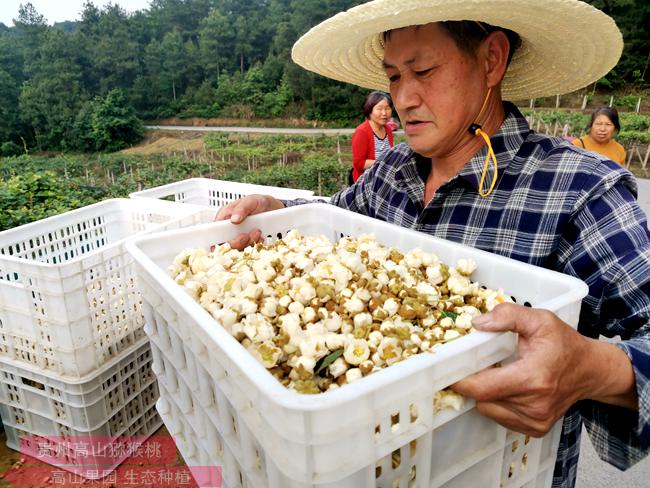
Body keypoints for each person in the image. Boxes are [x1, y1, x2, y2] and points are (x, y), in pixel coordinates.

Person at [217, 1, 649, 486]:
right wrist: (280, 211)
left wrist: (590, 369)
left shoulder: (579, 191)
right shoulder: (390, 172)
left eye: (422, 70)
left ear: (491, 60)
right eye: (394, 78)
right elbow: (332, 214)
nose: (403, 98)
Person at [350, 91, 395, 183]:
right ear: (370, 110)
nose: (384, 113)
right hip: (366, 182)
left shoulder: (388, 129)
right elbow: (359, 163)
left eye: (387, 108)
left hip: (384, 180)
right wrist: (385, 162)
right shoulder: (362, 132)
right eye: (379, 108)